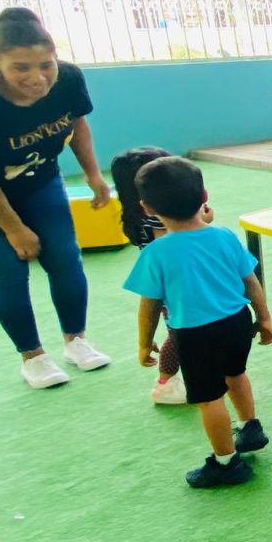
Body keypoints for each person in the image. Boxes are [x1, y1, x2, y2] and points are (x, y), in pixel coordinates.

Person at [122, 156, 272, 489]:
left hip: (196, 334)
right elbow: (250, 280)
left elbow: (149, 306)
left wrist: (144, 343)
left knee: (209, 397)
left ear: (147, 208)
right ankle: (250, 427)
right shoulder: (224, 235)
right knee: (236, 374)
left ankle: (226, 463)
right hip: (237, 322)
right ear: (204, 196)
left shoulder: (156, 253)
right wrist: (264, 317)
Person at [0, 8, 112, 388]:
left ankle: (76, 340)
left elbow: (78, 124)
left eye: (46, 65)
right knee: (7, 270)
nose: (38, 78)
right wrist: (15, 229)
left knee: (65, 257)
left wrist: (93, 175)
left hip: (40, 181)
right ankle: (33, 357)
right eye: (21, 68)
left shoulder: (68, 79)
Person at [111, 146, 189, 404]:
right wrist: (203, 220)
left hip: (174, 286)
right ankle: (165, 382)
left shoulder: (139, 214)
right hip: (175, 289)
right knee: (178, 335)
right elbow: (173, 244)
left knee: (180, 332)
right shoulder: (158, 218)